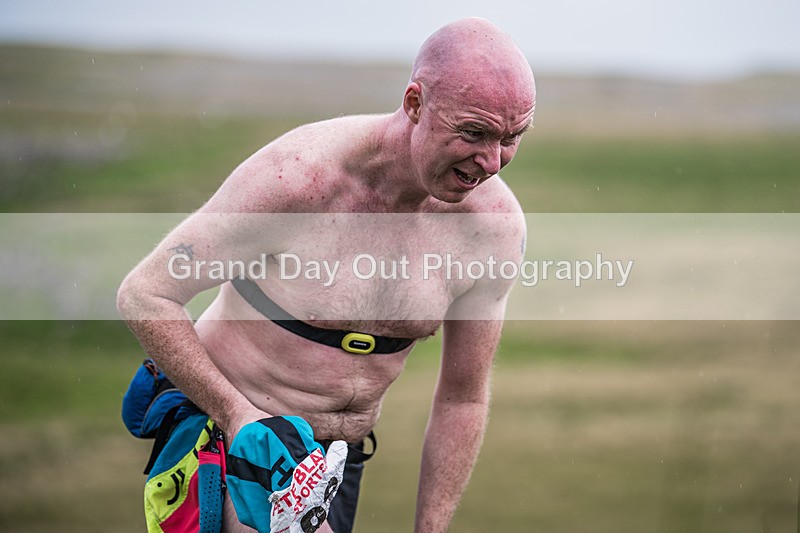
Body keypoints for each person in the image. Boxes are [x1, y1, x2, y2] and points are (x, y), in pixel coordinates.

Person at [117, 16, 535, 533]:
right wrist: (236, 415)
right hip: (234, 443)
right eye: (473, 133)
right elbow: (145, 294)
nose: (492, 161)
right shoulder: (296, 180)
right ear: (414, 104)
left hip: (340, 464)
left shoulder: (492, 229)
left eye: (512, 138)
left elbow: (462, 398)